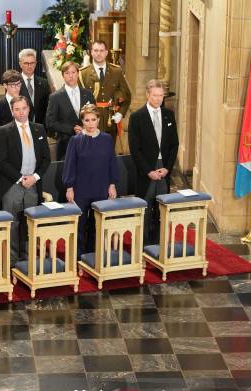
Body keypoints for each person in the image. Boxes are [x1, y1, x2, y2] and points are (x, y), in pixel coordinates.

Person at [0, 95, 51, 263]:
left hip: (33, 184)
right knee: (12, 223)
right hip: (12, 184)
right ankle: (11, 261)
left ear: (29, 109)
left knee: (30, 223)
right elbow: (0, 161)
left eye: (24, 108)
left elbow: (46, 159)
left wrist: (35, 177)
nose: (21, 112)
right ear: (12, 111)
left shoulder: (39, 129)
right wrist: (20, 179)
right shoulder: (4, 131)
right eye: (17, 109)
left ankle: (28, 258)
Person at [62, 103, 119, 257]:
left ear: (98, 120)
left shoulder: (107, 139)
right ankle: (79, 257)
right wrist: (69, 187)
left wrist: (112, 185)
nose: (90, 123)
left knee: (97, 225)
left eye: (93, 120)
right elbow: (70, 165)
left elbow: (111, 163)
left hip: (101, 187)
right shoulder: (75, 141)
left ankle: (93, 256)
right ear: (82, 122)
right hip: (80, 190)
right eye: (87, 120)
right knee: (79, 225)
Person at [128, 79, 179, 244]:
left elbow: (174, 145)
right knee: (145, 207)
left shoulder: (168, 115)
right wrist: (148, 171)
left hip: (163, 169)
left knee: (161, 208)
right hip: (146, 171)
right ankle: (142, 244)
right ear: (148, 94)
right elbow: (135, 150)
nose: (158, 99)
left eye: (161, 96)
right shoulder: (137, 117)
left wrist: (167, 169)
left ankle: (159, 244)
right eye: (155, 95)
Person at [79, 40, 131, 144]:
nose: (99, 53)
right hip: (90, 124)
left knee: (108, 153)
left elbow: (127, 95)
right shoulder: (83, 73)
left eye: (101, 51)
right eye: (96, 50)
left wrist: (120, 113)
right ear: (91, 52)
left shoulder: (117, 71)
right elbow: (79, 99)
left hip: (110, 120)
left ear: (106, 52)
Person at [45, 61, 95, 160]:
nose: (71, 76)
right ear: (63, 76)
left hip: (88, 142)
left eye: (73, 72)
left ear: (78, 73)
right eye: (67, 73)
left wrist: (85, 129)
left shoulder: (88, 94)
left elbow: (95, 116)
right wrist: (72, 129)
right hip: (66, 145)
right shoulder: (55, 97)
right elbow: (50, 122)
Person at [0, 70, 23, 148]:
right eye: (12, 85)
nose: (16, 88)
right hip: (5, 149)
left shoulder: (25, 103)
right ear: (5, 85)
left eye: (18, 84)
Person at [18, 49, 50, 125]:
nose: (29, 66)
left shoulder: (44, 83)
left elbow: (47, 109)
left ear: (35, 63)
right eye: (26, 63)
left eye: (32, 63)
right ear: (20, 64)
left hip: (40, 128)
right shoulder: (14, 83)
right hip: (21, 127)